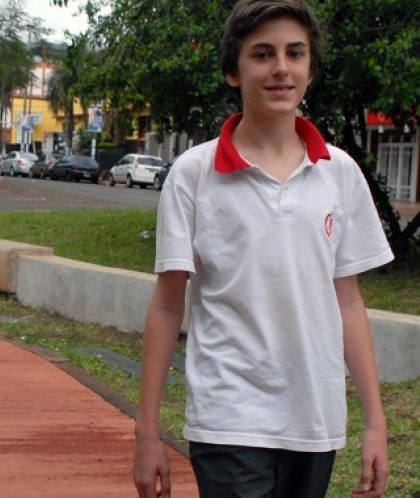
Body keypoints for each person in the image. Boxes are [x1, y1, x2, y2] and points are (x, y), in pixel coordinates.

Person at [133, 1, 393, 497]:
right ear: (233, 71)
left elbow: (348, 301)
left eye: (295, 53)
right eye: (262, 54)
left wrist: (375, 421)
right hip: (229, 417)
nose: (281, 68)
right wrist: (146, 432)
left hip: (315, 419)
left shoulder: (339, 172)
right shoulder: (194, 174)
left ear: (310, 70)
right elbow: (167, 306)